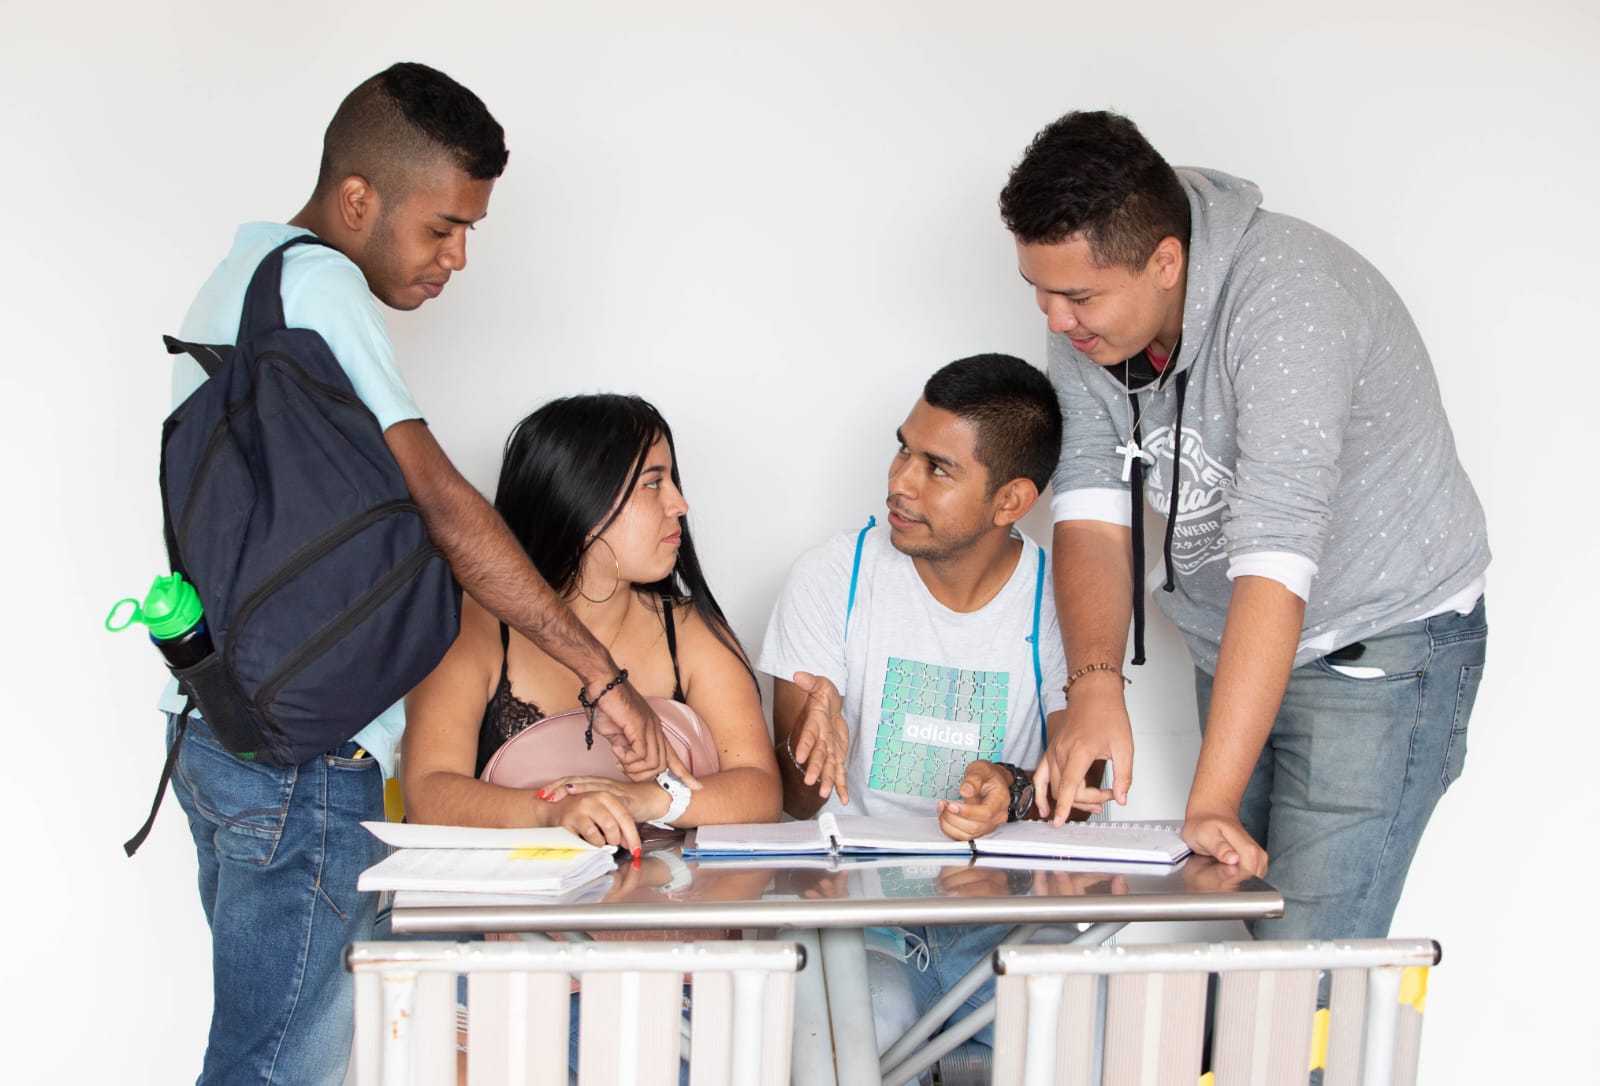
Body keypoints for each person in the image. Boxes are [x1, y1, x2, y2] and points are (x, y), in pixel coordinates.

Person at [164, 64, 685, 1085]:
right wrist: (600, 674)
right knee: (281, 1067)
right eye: (443, 226)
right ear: (358, 198)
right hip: (301, 759)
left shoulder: (237, 280)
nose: (456, 256)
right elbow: (444, 504)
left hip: (216, 729)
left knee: (259, 1050)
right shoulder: (317, 284)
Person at [998, 110, 1489, 941]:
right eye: (1037, 291)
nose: (1053, 321)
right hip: (1240, 640)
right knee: (1253, 941)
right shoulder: (1084, 325)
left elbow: (1278, 551)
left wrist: (1214, 794)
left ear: (1166, 262)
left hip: (1378, 647)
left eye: (1077, 295)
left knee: (1303, 969)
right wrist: (1093, 687)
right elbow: (1089, 504)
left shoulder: (1292, 303)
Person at [758, 354, 1100, 1051]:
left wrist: (1013, 790)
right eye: (902, 450)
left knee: (1082, 1046)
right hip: (859, 920)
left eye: (937, 468)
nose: (899, 482)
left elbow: (1085, 790)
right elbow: (794, 803)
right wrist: (808, 739)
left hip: (1011, 920)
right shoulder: (832, 578)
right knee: (837, 1048)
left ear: (1010, 501)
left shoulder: (1063, 599)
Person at [402, 392, 780, 846]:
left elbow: (760, 790)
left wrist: (648, 799)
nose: (679, 503)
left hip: (665, 909)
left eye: (672, 481)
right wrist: (552, 812)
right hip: (510, 913)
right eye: (653, 484)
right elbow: (426, 795)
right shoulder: (475, 629)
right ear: (581, 497)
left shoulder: (691, 632)